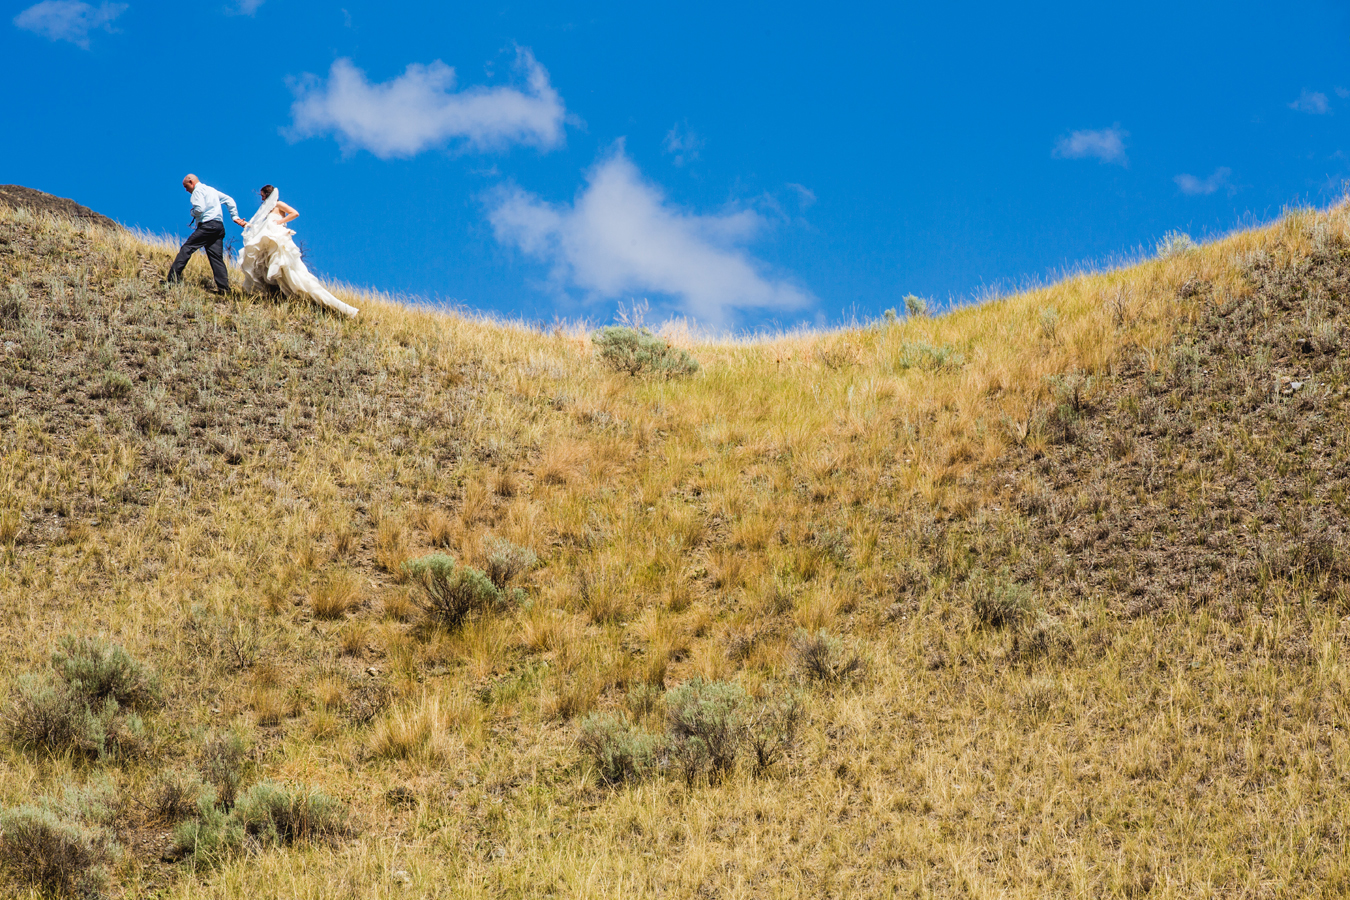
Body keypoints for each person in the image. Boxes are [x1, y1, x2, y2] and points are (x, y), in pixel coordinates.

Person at [239, 185, 358, 317]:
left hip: (279, 240)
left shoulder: (278, 204)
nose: (261, 198)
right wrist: (246, 225)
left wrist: (280, 222)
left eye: (262, 195)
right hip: (270, 243)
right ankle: (280, 297)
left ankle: (335, 307)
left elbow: (295, 213)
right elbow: (260, 227)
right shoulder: (267, 209)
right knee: (273, 271)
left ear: (268, 194)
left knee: (291, 273)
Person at [166, 174, 246, 294]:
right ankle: (224, 290)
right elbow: (229, 200)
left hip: (207, 226)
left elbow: (199, 209)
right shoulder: (211, 190)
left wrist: (192, 212)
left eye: (186, 186)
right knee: (216, 258)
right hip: (219, 227)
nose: (186, 189)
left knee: (187, 248)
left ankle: (172, 280)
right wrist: (235, 216)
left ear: (191, 182)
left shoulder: (197, 192)